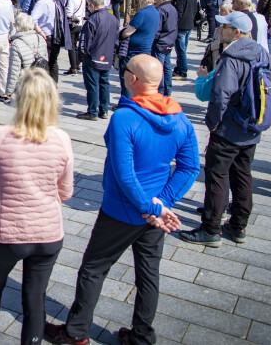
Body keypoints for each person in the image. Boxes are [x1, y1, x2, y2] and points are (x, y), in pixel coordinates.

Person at [45, 55, 199, 345]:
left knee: (93, 269)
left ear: (133, 80)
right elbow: (190, 167)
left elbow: (125, 175)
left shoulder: (124, 118)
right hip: (154, 213)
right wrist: (161, 204)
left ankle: (76, 332)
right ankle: (142, 336)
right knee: (148, 274)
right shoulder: (179, 117)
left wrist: (151, 207)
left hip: (122, 210)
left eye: (124, 71)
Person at [0, 68, 73, 345]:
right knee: (35, 298)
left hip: (6, 232)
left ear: (18, 99)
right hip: (48, 231)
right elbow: (66, 191)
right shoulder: (62, 138)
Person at [180, 12, 271, 247]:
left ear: (236, 32)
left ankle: (211, 229)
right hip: (252, 128)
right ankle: (238, 225)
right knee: (243, 175)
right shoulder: (261, 52)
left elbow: (220, 95)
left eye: (225, 27)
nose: (220, 30)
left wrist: (214, 123)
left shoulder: (232, 56)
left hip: (229, 128)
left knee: (217, 177)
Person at [77, 0, 119, 121]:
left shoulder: (92, 19)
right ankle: (104, 110)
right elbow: (116, 40)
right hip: (107, 56)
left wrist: (83, 55)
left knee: (93, 85)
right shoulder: (113, 19)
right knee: (104, 83)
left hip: (93, 57)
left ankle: (92, 111)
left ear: (92, 5)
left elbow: (84, 41)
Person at [118, 0, 160, 99]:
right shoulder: (156, 12)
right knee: (140, 78)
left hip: (134, 50)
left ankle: (127, 102)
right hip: (146, 49)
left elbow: (128, 32)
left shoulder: (142, 13)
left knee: (128, 76)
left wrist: (120, 34)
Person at [7, 12, 43, 96]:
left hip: (26, 81)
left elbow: (14, 70)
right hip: (40, 79)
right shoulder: (40, 38)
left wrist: (9, 90)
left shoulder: (16, 44)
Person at [152, 0, 178, 97]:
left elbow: (157, 28)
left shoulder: (161, 10)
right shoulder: (172, 8)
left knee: (159, 68)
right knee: (167, 67)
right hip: (169, 41)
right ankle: (168, 90)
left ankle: (161, 91)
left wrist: (154, 39)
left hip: (161, 42)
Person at [170, 0, 197, 80]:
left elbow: (178, 13)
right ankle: (179, 67)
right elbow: (195, 9)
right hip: (189, 24)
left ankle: (182, 71)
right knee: (183, 48)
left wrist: (174, 25)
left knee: (180, 50)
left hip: (181, 26)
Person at [63, 0, 86, 76]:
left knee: (70, 47)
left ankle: (73, 68)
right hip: (79, 23)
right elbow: (84, 13)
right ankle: (76, 64)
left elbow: (69, 13)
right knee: (75, 46)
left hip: (72, 24)